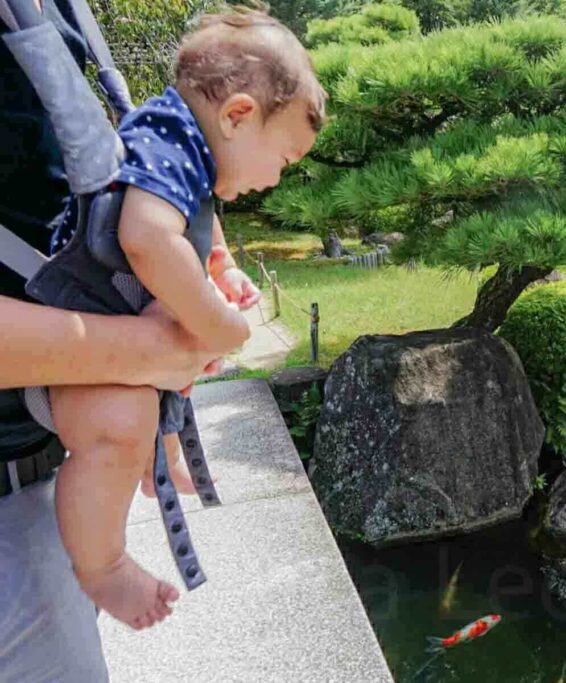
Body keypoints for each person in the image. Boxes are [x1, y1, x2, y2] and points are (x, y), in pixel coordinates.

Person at [24, 8, 325, 632]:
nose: (275, 179)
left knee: (158, 364)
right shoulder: (171, 139)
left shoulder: (184, 146)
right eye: (285, 159)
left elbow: (195, 226)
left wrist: (223, 273)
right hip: (78, 325)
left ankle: (161, 452)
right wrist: (220, 325)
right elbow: (147, 237)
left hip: (104, 311)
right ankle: (101, 564)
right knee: (117, 426)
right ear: (238, 115)